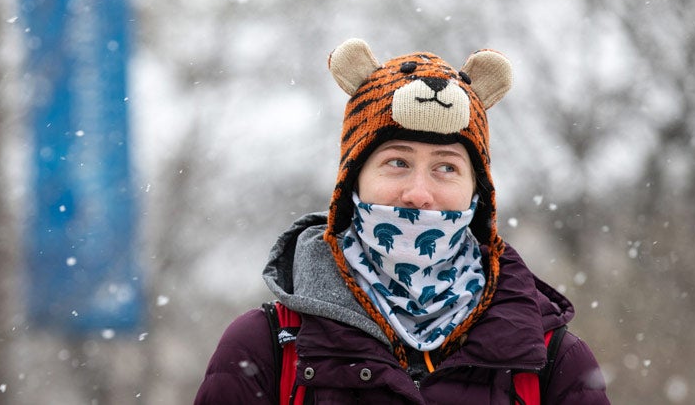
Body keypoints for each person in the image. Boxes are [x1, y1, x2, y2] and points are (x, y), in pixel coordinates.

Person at [195, 38, 610, 404]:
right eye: (397, 161)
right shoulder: (267, 348)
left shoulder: (549, 359)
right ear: (352, 182)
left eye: (446, 167)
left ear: (476, 193)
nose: (418, 193)